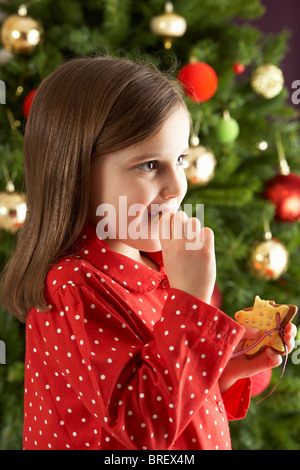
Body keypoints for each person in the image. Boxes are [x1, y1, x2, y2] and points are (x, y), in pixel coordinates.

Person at [0, 55, 296, 450]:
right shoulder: (74, 286)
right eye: (149, 165)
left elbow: (172, 398)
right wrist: (191, 300)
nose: (178, 186)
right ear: (75, 176)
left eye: (180, 160)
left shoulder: (157, 269)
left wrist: (223, 369)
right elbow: (142, 429)